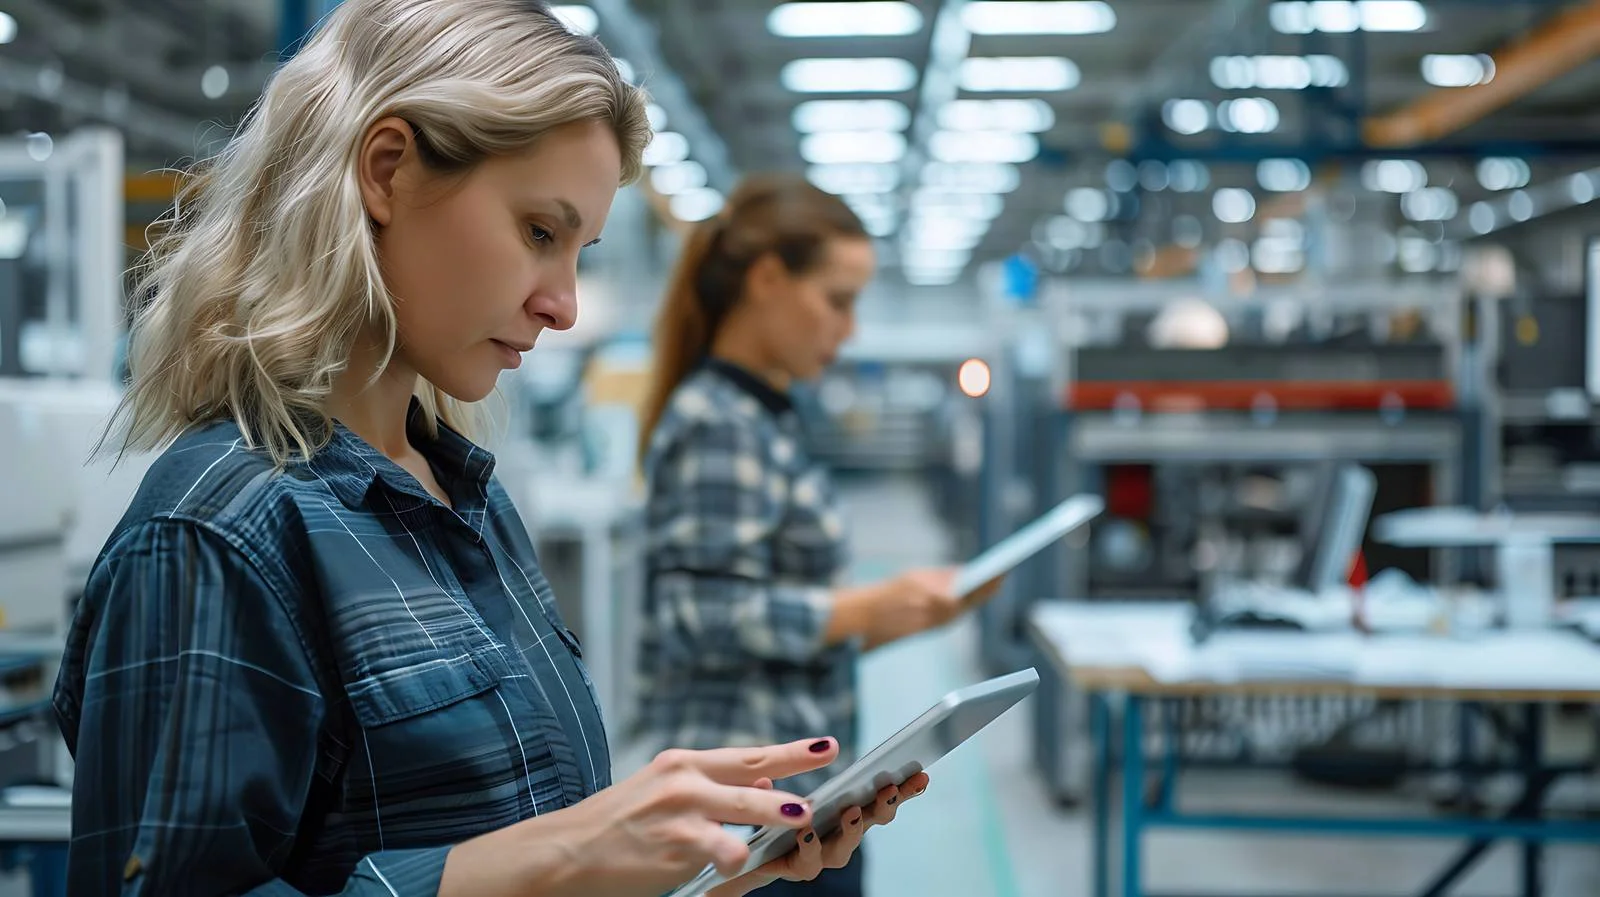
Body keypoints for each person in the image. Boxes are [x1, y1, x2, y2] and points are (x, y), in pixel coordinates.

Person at [52, 4, 928, 895]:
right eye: (540, 232)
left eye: (580, 251)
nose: (565, 305)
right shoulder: (217, 535)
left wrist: (680, 871)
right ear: (387, 171)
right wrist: (561, 856)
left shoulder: (462, 500)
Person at [635, 175, 998, 897]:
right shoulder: (719, 424)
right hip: (745, 818)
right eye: (837, 300)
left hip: (795, 805)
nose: (849, 328)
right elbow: (700, 614)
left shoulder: (765, 418)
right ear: (768, 279)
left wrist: (899, 614)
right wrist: (865, 607)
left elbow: (774, 625)